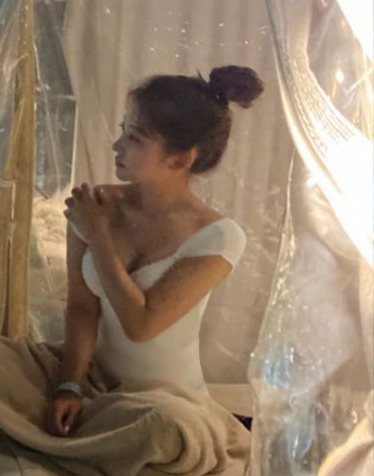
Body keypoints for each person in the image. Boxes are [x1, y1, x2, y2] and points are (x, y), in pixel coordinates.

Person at [47, 64, 263, 436]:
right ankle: (97, 420)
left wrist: (98, 236)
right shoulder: (95, 207)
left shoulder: (219, 237)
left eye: (134, 138)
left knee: (161, 428)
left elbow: (141, 325)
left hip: (169, 405)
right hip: (97, 386)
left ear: (180, 159)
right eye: (123, 131)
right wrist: (69, 385)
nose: (117, 146)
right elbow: (82, 308)